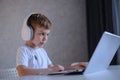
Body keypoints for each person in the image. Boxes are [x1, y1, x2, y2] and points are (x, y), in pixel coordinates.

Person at [16, 13, 87, 77]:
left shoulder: (42, 51)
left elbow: (55, 69)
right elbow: (22, 72)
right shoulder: (23, 50)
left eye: (47, 34)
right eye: (42, 34)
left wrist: (76, 68)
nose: (45, 38)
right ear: (29, 33)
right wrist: (50, 70)